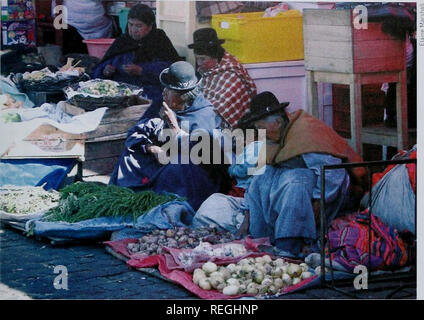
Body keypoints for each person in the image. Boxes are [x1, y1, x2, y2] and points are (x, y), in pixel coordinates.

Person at [193, 92, 367, 258]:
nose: (260, 131)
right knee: (263, 175)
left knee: (294, 180)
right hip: (299, 189)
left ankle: (290, 244)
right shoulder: (274, 137)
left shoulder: (306, 132)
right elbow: (259, 176)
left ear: (277, 121)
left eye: (261, 127)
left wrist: (315, 208)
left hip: (331, 193)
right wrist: (248, 217)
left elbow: (333, 176)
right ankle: (260, 235)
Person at [109, 61, 228, 211]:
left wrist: (175, 129)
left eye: (170, 90)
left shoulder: (204, 117)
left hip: (194, 177)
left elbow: (205, 157)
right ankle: (126, 195)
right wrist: (152, 148)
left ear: (184, 96)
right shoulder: (166, 104)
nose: (164, 92)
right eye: (165, 88)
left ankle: (166, 205)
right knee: (132, 152)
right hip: (162, 161)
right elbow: (138, 130)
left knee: (179, 166)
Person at [92, 4, 181, 118]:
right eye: (130, 24)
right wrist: (105, 71)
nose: (133, 30)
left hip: (150, 91)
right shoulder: (122, 42)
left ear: (150, 26)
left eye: (139, 26)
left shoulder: (159, 41)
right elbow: (99, 70)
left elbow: (170, 71)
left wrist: (142, 70)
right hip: (120, 92)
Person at [188, 28, 257, 129]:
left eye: (203, 59)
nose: (199, 63)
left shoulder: (232, 77)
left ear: (215, 56)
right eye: (197, 58)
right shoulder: (209, 71)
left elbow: (218, 109)